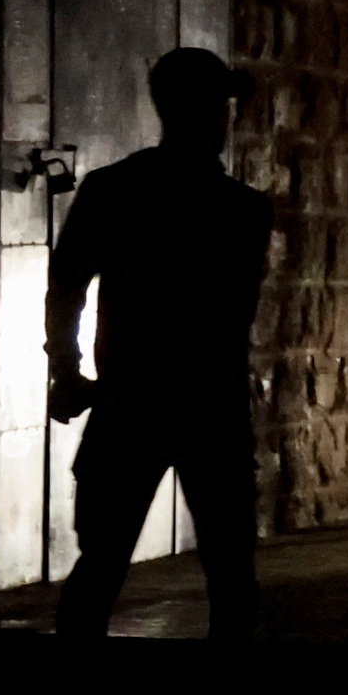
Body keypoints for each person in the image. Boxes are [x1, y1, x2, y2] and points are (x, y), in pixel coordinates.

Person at [49, 47, 274, 646]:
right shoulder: (242, 211)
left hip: (129, 400)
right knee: (231, 574)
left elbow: (67, 285)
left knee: (99, 567)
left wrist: (67, 373)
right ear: (215, 114)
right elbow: (231, 315)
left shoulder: (111, 190)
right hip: (211, 406)